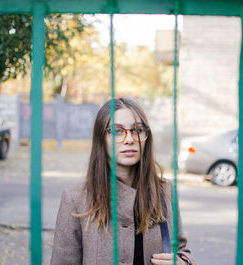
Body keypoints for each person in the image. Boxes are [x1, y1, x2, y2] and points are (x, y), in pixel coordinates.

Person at [50, 97, 196, 265]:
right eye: (117, 131)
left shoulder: (165, 191)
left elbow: (181, 249)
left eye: (137, 130)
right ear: (101, 139)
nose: (129, 139)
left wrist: (183, 262)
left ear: (146, 136)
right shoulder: (76, 200)